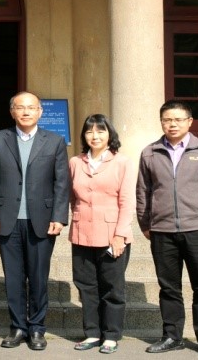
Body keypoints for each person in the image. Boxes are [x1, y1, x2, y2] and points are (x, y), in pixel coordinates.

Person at [136, 100, 198, 360]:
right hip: (163, 231)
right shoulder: (150, 152)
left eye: (178, 119)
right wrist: (146, 223)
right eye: (168, 119)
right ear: (161, 122)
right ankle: (172, 336)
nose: (173, 124)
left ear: (190, 121)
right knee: (169, 287)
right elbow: (143, 192)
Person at [0, 91, 70, 351]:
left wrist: (59, 216)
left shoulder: (54, 141)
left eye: (31, 107)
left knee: (39, 277)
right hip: (7, 218)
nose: (26, 112)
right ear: (12, 112)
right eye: (20, 107)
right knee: (14, 278)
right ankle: (17, 327)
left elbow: (62, 183)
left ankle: (37, 329)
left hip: (42, 220)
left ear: (40, 112)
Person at [69, 114, 135, 354]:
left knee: (112, 287)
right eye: (89, 132)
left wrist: (120, 235)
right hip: (82, 233)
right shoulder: (76, 162)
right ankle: (92, 333)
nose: (94, 136)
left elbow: (127, 202)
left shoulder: (122, 162)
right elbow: (72, 197)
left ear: (110, 134)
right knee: (86, 286)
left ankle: (111, 335)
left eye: (100, 131)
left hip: (111, 234)